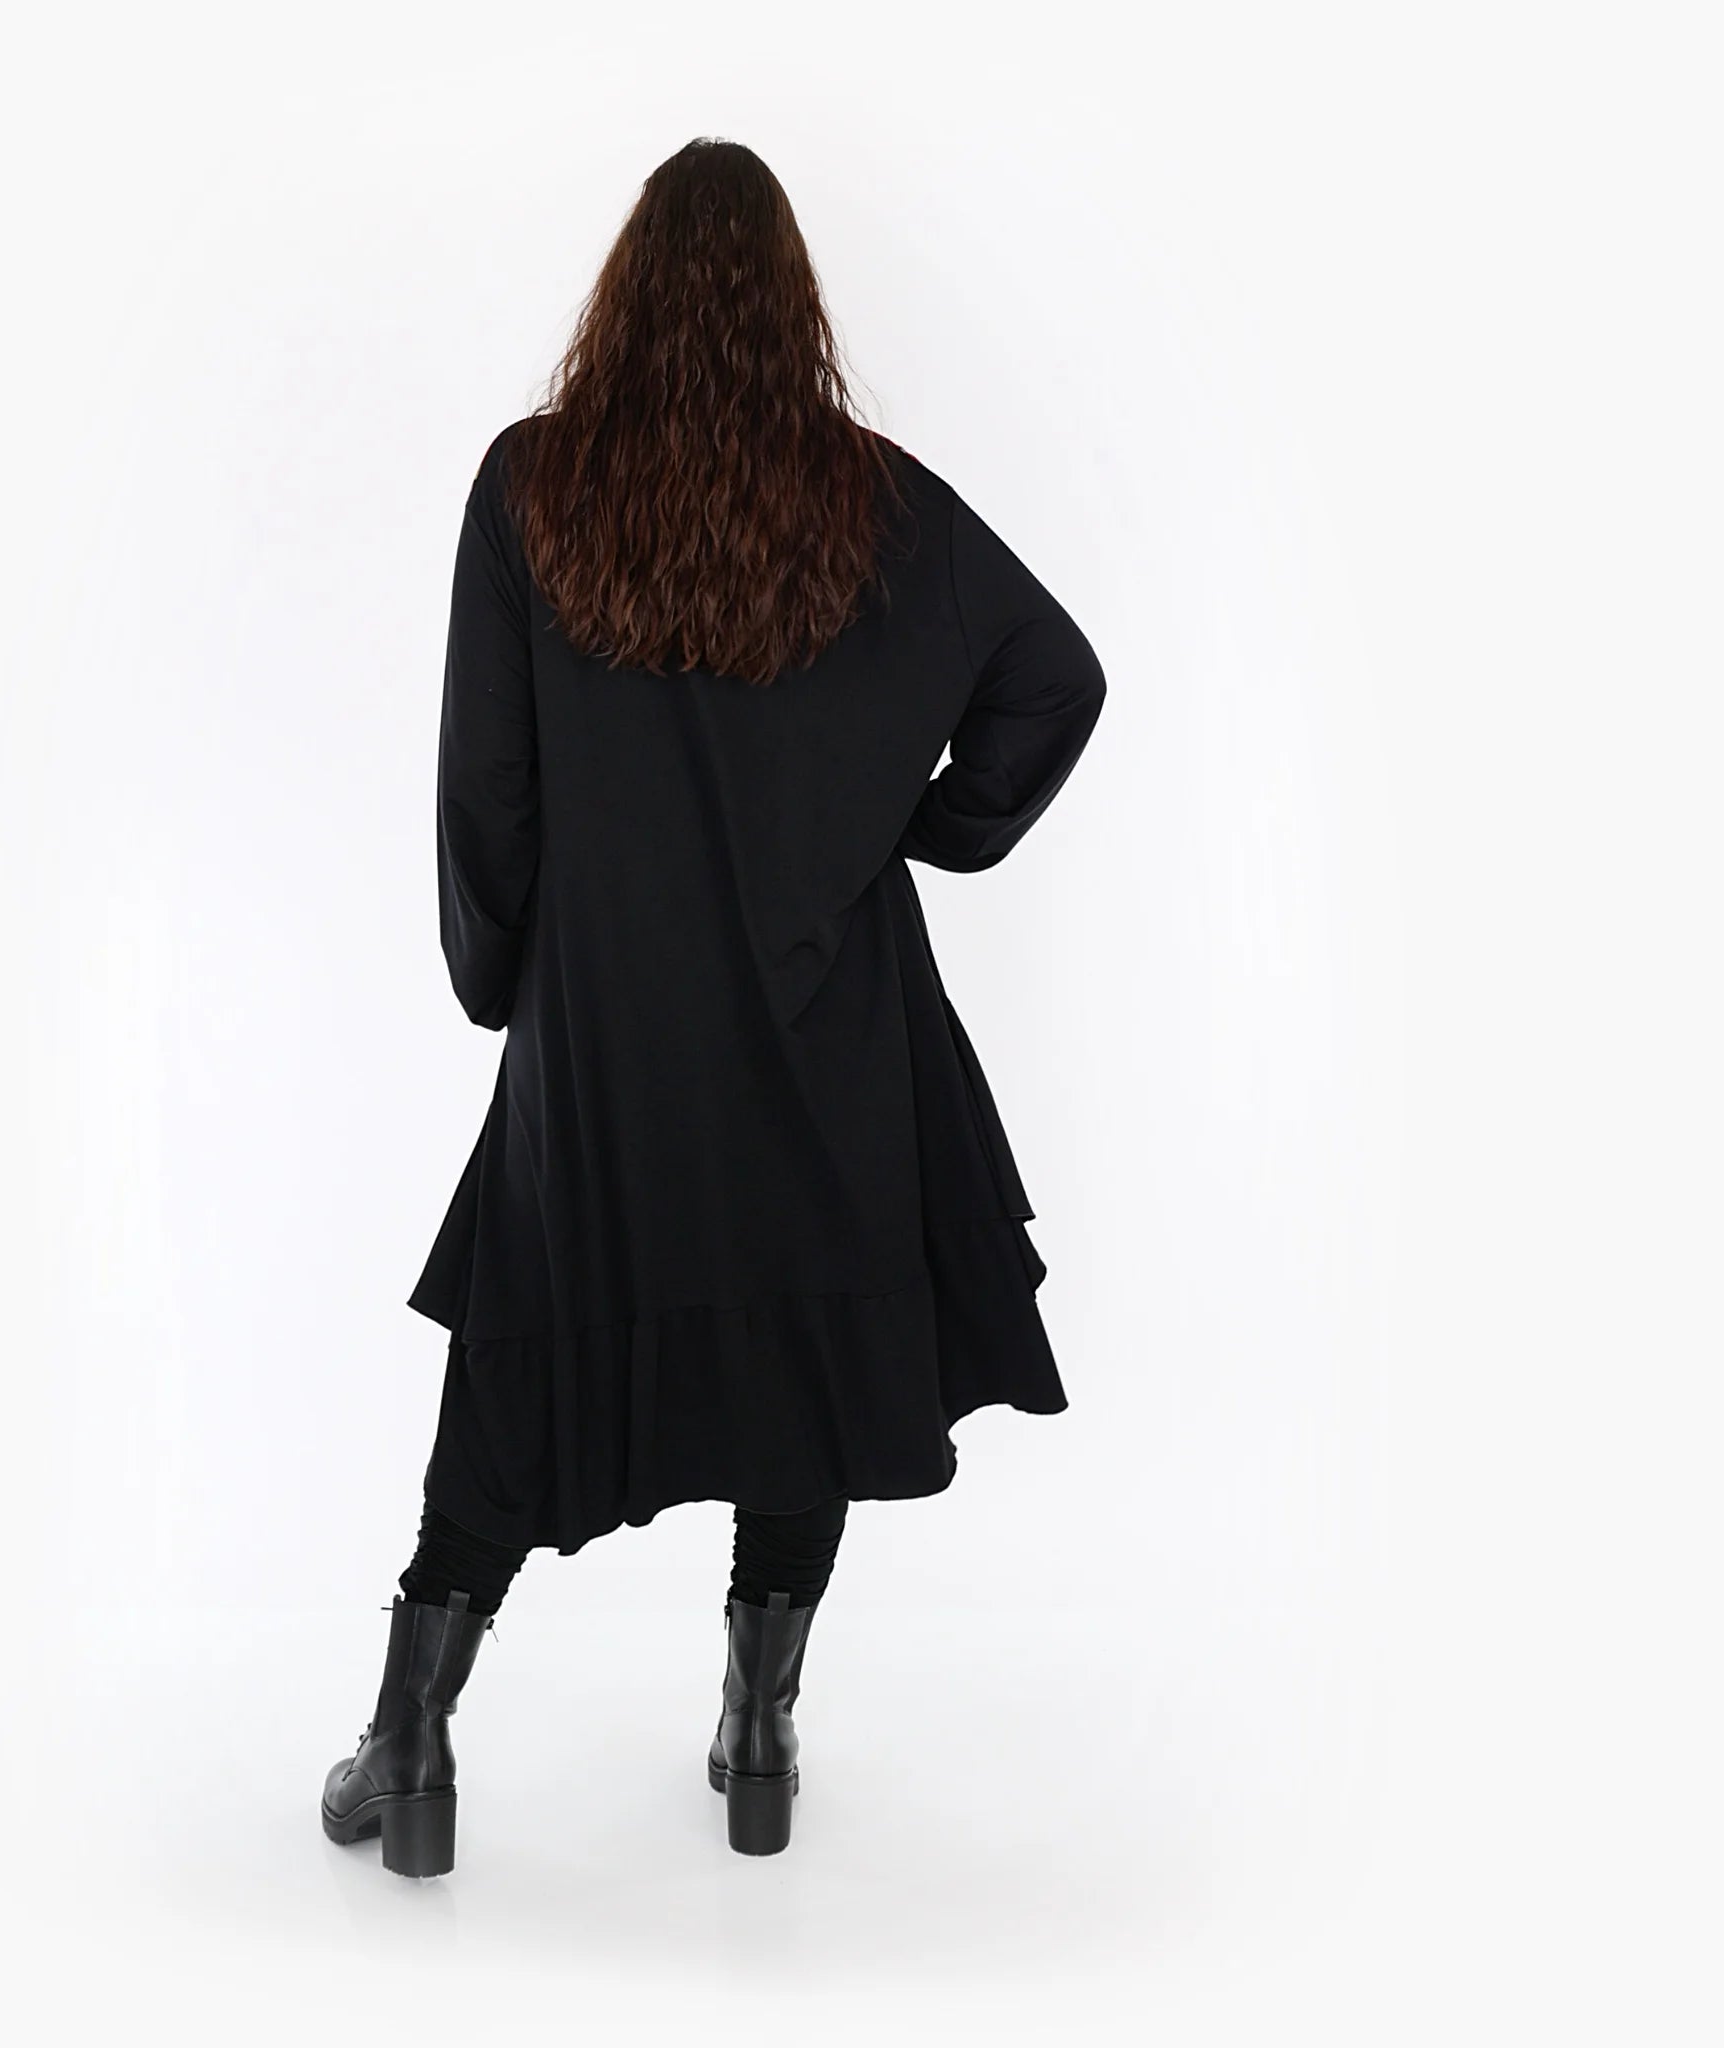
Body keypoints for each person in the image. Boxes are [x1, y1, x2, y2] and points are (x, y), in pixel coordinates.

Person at [320, 137, 1107, 1875]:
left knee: (519, 1362)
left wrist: (499, 976)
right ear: (789, 308)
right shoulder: (869, 502)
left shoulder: (531, 488)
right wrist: (929, 830)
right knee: (804, 1348)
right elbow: (1056, 677)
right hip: (829, 1018)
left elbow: (487, 789)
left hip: (605, 1031)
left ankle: (415, 1743)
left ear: (626, 296)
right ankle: (760, 1731)